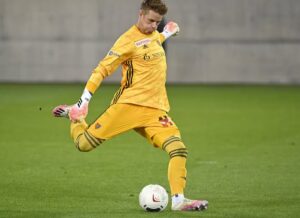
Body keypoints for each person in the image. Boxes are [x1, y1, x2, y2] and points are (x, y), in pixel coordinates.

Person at [52, 0, 208, 211]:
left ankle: (179, 200)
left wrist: (166, 33)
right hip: (128, 106)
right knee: (83, 145)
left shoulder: (154, 34)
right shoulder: (126, 41)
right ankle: (75, 116)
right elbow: (101, 70)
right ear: (140, 14)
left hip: (155, 110)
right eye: (151, 20)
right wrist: (83, 102)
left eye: (158, 22)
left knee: (178, 149)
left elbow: (152, 43)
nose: (154, 26)